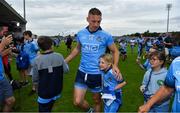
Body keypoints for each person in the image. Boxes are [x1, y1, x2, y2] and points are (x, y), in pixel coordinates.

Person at [65, 8, 121, 112]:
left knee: (97, 101)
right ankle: (91, 111)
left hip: (97, 74)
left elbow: (115, 51)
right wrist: (65, 61)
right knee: (77, 101)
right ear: (87, 19)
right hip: (82, 72)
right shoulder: (81, 33)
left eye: (99, 21)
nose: (96, 24)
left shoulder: (106, 35)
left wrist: (115, 65)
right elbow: (77, 49)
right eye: (93, 21)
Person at [32, 36, 69, 112]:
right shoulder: (59, 56)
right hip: (57, 89)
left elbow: (35, 79)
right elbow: (66, 70)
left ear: (39, 47)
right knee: (49, 106)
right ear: (52, 45)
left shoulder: (37, 60)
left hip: (44, 92)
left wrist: (36, 88)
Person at [0, 33, 15, 112]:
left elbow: (0, 54)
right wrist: (3, 44)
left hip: (2, 77)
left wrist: (7, 50)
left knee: (10, 100)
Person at [23, 30, 39, 95]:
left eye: (24, 35)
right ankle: (35, 86)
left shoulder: (33, 43)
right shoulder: (26, 42)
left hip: (33, 62)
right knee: (30, 74)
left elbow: (37, 51)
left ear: (27, 35)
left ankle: (34, 89)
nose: (23, 36)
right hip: (28, 61)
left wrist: (37, 60)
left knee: (33, 75)